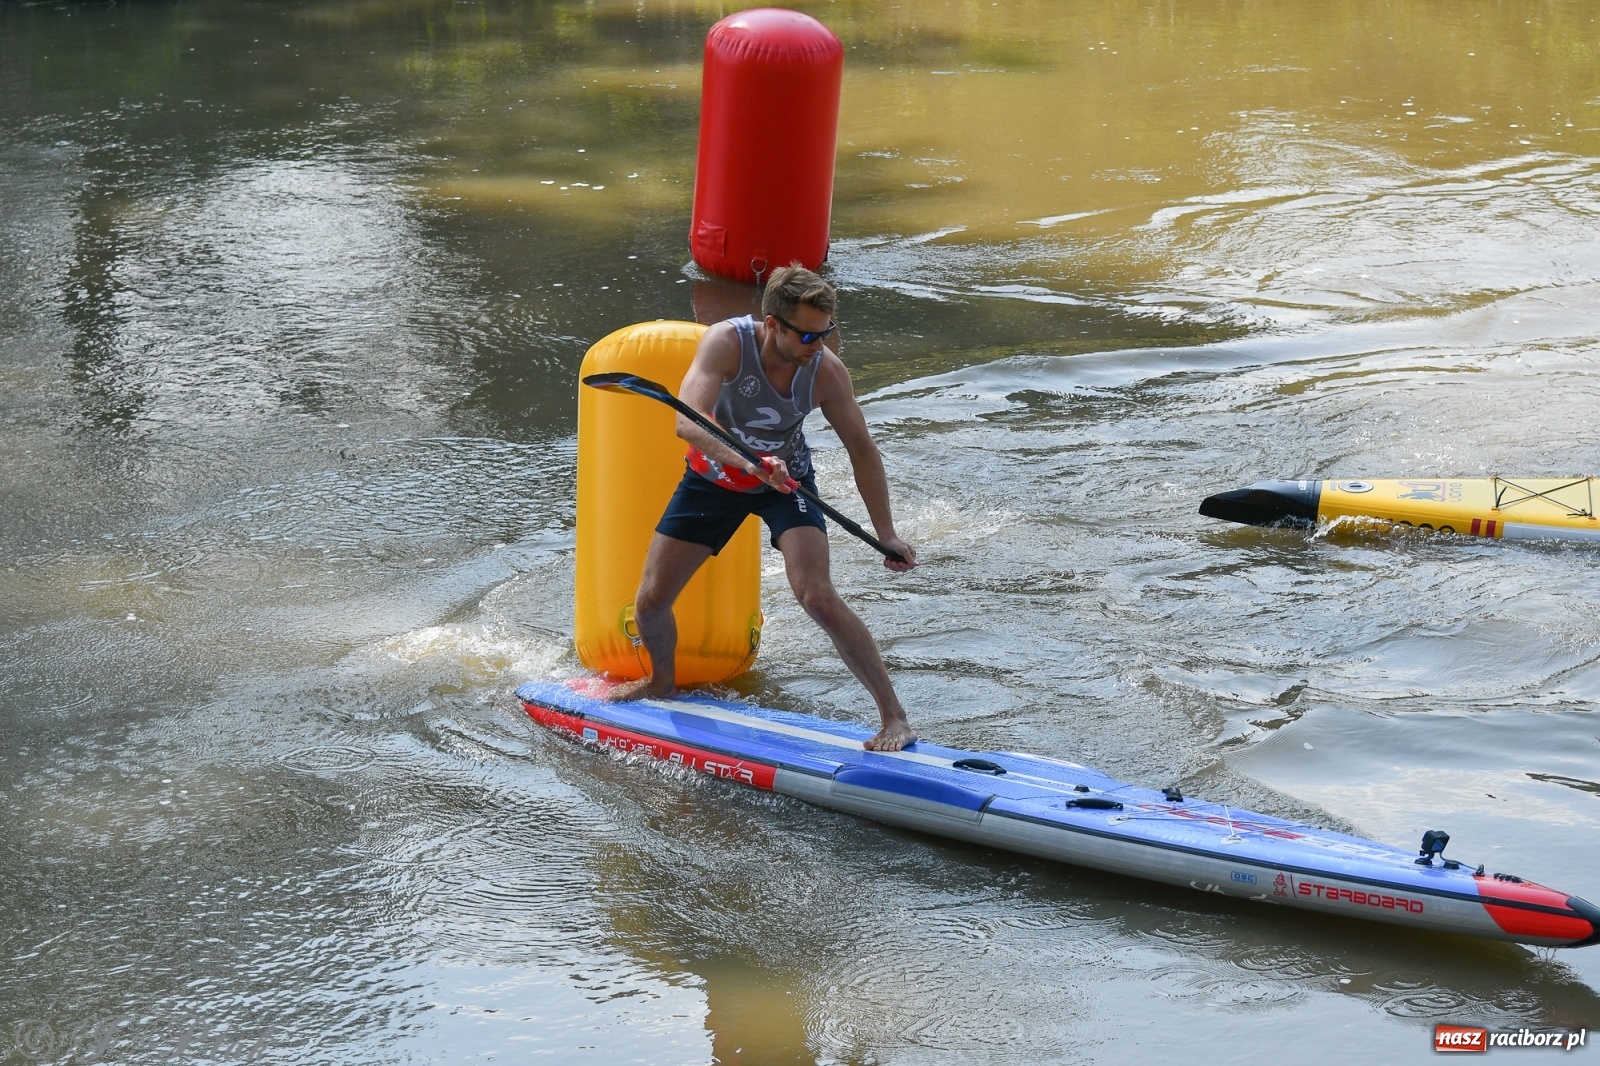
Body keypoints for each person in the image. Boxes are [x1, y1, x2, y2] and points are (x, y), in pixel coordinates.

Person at [607, 264, 919, 752]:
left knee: (816, 596)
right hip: (713, 480)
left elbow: (862, 448)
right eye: (808, 335)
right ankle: (661, 682)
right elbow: (690, 423)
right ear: (772, 323)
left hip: (785, 482)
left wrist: (887, 531)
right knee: (650, 601)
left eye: (827, 332)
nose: (819, 344)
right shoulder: (726, 343)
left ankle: (894, 717)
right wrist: (748, 463)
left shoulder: (827, 371)